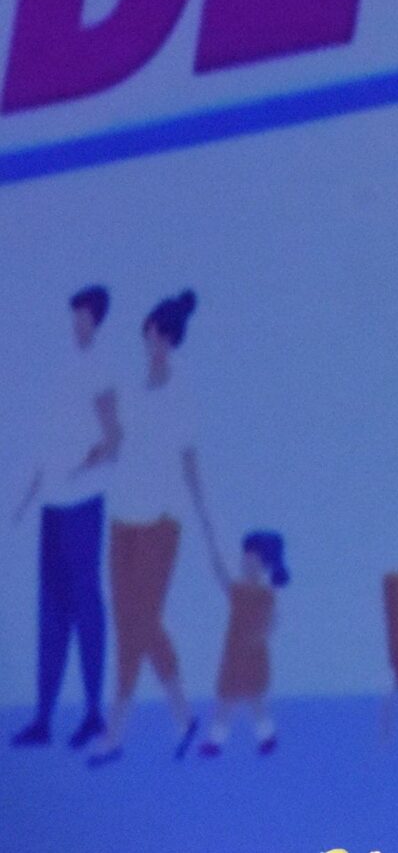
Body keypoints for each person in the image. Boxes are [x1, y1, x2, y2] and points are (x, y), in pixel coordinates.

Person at [86, 290, 216, 766]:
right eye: (151, 334)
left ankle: (115, 732)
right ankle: (184, 717)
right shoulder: (131, 387)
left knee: (135, 625)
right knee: (138, 622)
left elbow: (189, 460)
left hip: (162, 522)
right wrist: (91, 455)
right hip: (123, 517)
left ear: (173, 341)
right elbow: (117, 444)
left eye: (163, 337)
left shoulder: (182, 395)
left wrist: (205, 521)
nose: (154, 343)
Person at [9, 284, 121, 750]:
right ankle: (43, 718)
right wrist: (28, 496)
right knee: (51, 608)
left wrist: (81, 467)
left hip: (82, 506)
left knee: (85, 603)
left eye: (84, 316)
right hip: (53, 506)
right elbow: (51, 442)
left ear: (96, 320)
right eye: (74, 316)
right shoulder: (65, 370)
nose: (77, 324)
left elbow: (114, 438)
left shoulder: (100, 369)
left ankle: (93, 712)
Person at [197, 531, 287, 757]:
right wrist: (211, 541)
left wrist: (261, 637)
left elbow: (273, 621)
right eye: (245, 561)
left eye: (252, 562)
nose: (246, 565)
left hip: (254, 655)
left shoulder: (266, 595)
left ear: (263, 566)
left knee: (254, 699)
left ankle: (266, 736)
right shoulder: (238, 591)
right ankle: (217, 740)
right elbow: (220, 571)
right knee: (227, 698)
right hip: (234, 655)